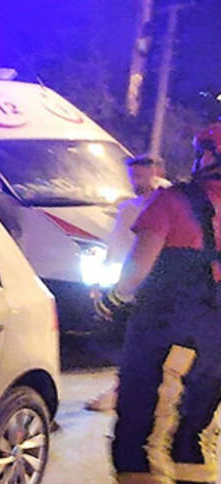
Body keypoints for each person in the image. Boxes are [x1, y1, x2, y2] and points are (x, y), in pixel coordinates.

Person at [73, 123, 221, 484]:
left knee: (139, 438)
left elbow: (136, 271)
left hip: (167, 339)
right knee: (193, 435)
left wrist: (111, 301)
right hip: (216, 347)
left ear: (206, 155)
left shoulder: (172, 202)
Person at [86, 154, 174, 412]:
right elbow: (116, 246)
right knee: (128, 340)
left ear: (157, 172)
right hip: (130, 284)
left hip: (158, 284)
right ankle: (122, 390)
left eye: (140, 175)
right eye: (132, 176)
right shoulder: (128, 208)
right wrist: (103, 282)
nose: (135, 181)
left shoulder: (171, 203)